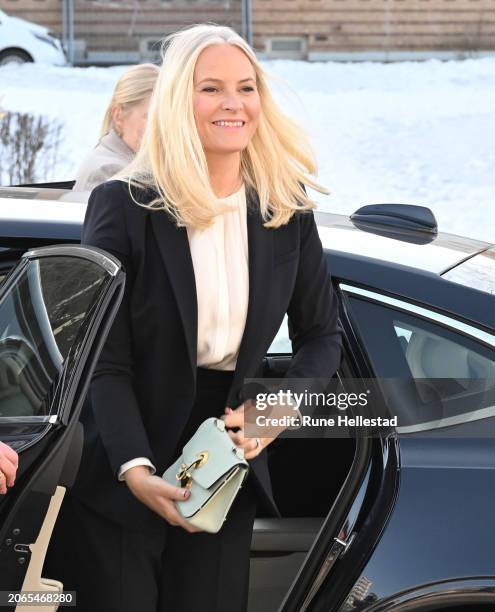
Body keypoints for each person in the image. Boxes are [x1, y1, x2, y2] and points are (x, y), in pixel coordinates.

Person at [44, 23, 343, 612]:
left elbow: (321, 335)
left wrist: (279, 407)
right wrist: (134, 468)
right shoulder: (124, 204)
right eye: (211, 89)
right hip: (122, 461)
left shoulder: (286, 208)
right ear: (180, 99)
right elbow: (101, 356)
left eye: (246, 86)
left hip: (226, 463)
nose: (234, 103)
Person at [73, 63, 159, 192]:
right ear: (118, 116)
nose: (161, 127)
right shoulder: (110, 173)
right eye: (151, 117)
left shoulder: (135, 165)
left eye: (167, 118)